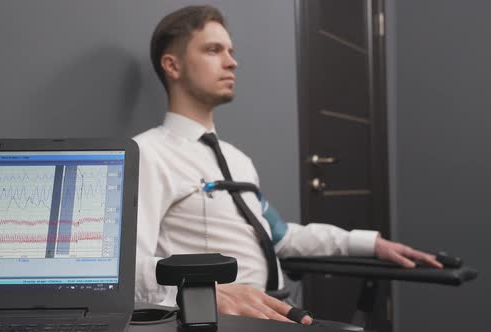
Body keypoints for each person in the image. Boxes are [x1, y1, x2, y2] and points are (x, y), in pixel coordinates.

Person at [133, 5, 442, 324]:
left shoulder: (238, 161)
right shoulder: (147, 154)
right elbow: (125, 269)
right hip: (224, 318)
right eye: (213, 50)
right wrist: (200, 293)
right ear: (172, 65)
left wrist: (369, 243)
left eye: (231, 51)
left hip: (280, 313)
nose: (231, 61)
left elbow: (280, 236)